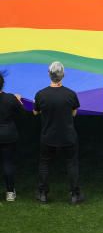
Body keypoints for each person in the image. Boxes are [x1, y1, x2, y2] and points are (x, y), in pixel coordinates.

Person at [33, 62, 83, 205]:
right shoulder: (71, 94)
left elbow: (35, 112)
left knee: (44, 164)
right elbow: (74, 113)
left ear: (49, 74)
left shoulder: (41, 94)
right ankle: (75, 195)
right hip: (68, 136)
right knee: (71, 164)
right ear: (63, 75)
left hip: (48, 136)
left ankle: (43, 194)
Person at [0, 71, 26, 201]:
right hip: (8, 135)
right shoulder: (10, 98)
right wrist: (18, 100)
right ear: (2, 84)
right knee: (7, 163)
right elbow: (23, 113)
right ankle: (10, 192)